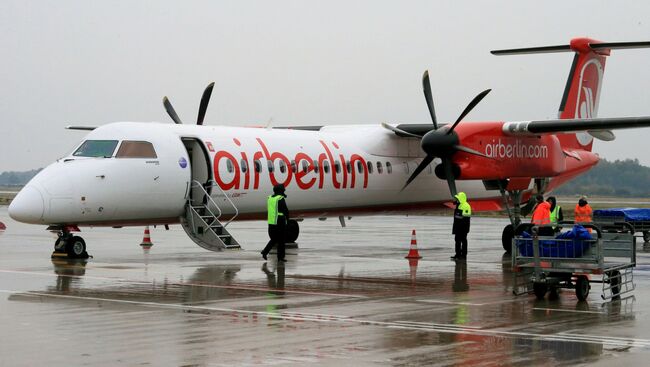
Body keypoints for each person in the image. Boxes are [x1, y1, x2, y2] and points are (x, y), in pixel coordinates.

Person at [261, 184, 289, 262]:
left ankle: (265, 252)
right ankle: (280, 257)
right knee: (281, 240)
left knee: (274, 239)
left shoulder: (270, 198)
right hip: (280, 221)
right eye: (283, 189)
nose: (284, 190)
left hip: (271, 222)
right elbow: (285, 210)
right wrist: (288, 220)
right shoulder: (280, 198)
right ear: (281, 190)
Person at [451, 192, 471, 260]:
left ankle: (463, 255)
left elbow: (464, 218)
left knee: (463, 240)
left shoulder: (466, 206)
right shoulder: (459, 205)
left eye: (457, 198)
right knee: (457, 240)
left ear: (461, 198)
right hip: (458, 226)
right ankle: (458, 254)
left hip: (463, 227)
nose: (456, 199)